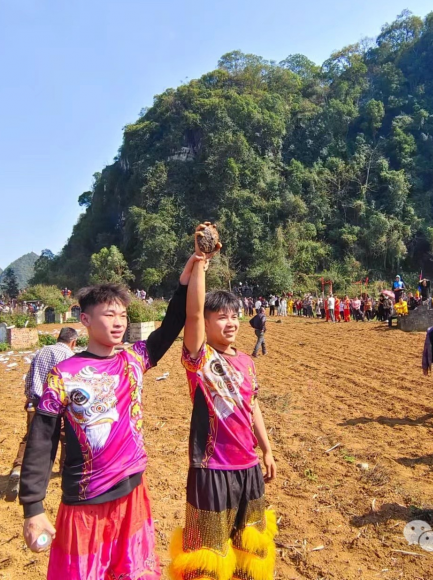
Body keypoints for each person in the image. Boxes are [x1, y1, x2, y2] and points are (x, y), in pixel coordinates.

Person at [19, 249, 204, 580]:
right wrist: (32, 508)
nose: (119, 322)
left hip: (132, 494)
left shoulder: (134, 359)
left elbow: (172, 325)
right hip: (85, 502)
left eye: (123, 315)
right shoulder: (63, 374)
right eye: (109, 315)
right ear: (86, 320)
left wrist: (185, 281)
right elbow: (42, 440)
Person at [170, 257, 277, 580]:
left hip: (248, 467)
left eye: (234, 317)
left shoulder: (246, 361)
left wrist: (267, 449)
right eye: (220, 317)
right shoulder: (201, 359)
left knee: (249, 549)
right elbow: (191, 314)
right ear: (206, 321)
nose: (230, 323)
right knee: (208, 553)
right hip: (211, 468)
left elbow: (253, 406)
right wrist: (201, 264)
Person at [6, 327, 79, 501]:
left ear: (58, 338)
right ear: (73, 342)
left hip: (37, 402)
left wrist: (30, 399)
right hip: (59, 405)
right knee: (66, 437)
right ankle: (63, 470)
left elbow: (30, 378)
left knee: (30, 438)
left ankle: (18, 468)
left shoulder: (41, 352)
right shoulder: (70, 357)